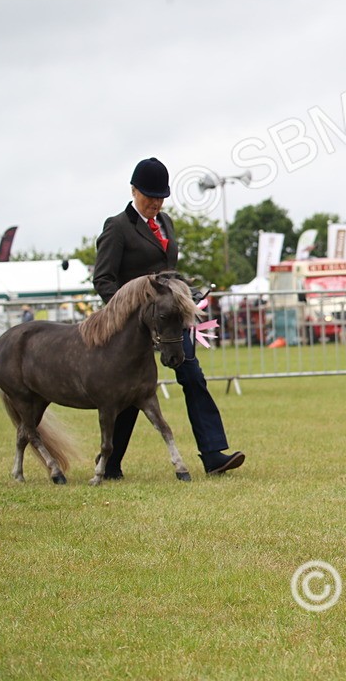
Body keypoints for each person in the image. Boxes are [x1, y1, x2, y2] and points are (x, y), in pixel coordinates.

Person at [93, 158, 245, 479]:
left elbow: (166, 272)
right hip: (135, 326)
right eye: (150, 196)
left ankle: (213, 455)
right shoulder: (117, 227)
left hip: (170, 321)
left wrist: (185, 290)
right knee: (131, 393)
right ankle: (110, 463)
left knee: (192, 376)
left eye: (161, 197)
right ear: (133, 190)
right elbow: (103, 279)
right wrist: (127, 312)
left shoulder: (166, 222)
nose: (156, 203)